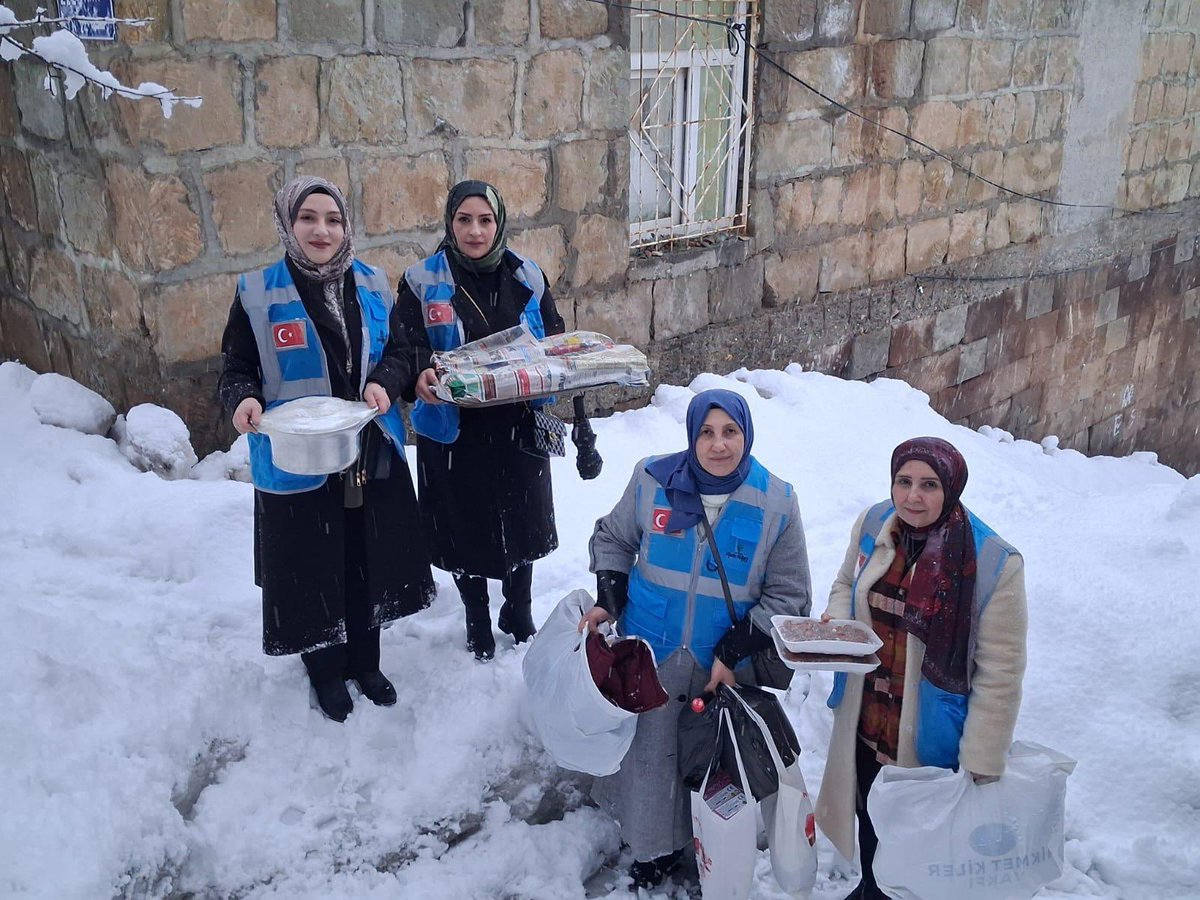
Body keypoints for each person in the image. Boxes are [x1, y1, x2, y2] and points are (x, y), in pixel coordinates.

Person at [218, 175, 435, 723]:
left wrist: (385, 380)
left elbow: (402, 351)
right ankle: (325, 668)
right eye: (308, 218)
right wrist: (243, 398)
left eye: (333, 219)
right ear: (287, 224)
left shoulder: (372, 283)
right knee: (312, 563)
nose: (322, 230)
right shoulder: (257, 292)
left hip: (368, 449)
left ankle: (366, 661)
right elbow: (236, 367)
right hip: (298, 455)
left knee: (367, 557)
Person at [581, 388, 812, 890]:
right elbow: (614, 538)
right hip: (652, 654)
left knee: (710, 765)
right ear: (691, 435)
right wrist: (609, 597)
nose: (718, 444)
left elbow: (789, 593)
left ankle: (707, 848)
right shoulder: (652, 479)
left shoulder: (777, 500)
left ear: (747, 435)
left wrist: (733, 652)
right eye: (706, 432)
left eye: (730, 431)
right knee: (649, 762)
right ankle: (650, 851)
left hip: (720, 662)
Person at [815, 437, 1028, 900]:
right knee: (871, 814)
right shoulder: (875, 522)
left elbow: (1001, 672)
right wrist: (840, 622)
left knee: (921, 847)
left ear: (951, 487)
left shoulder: (993, 560)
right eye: (903, 481)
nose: (913, 496)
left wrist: (982, 756)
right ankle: (871, 887)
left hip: (929, 733)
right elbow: (847, 581)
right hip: (868, 717)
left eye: (929, 485)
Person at [398, 180, 566, 661]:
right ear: (450, 223)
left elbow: (554, 338)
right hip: (455, 431)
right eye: (464, 220)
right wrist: (419, 373)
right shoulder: (422, 281)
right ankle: (476, 618)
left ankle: (518, 610)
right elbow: (405, 346)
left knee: (523, 522)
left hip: (518, 424)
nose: (475, 231)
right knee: (463, 526)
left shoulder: (526, 275)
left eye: (485, 220)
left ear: (499, 223)